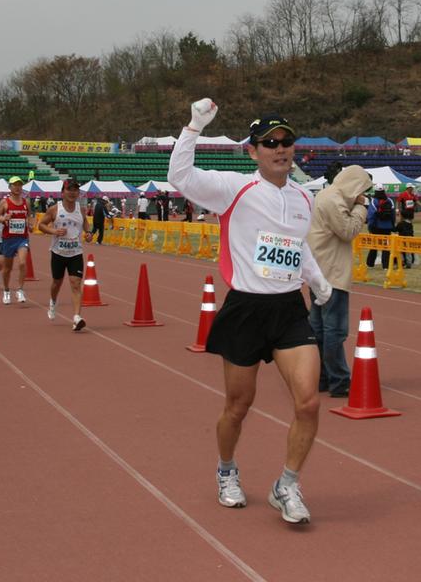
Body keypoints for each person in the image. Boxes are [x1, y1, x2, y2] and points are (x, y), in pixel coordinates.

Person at [168, 100, 331, 525]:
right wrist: (193, 128)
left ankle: (287, 485)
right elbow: (179, 177)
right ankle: (226, 471)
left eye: (287, 141)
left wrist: (316, 279)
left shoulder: (302, 197)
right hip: (245, 308)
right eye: (270, 143)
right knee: (238, 407)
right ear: (253, 151)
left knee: (309, 402)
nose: (280, 148)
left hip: (288, 312)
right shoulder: (232, 188)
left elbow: (299, 247)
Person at [307, 165, 371, 399]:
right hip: (331, 273)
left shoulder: (324, 195)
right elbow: (348, 230)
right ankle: (339, 380)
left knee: (318, 329)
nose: (362, 194)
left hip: (318, 270)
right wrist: (361, 208)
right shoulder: (334, 200)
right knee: (334, 329)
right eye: (362, 189)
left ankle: (321, 377)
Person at [35, 178, 93, 331]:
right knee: (56, 283)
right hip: (58, 253)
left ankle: (76, 317)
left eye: (75, 190)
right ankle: (53, 301)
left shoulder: (80, 209)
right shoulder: (55, 209)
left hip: (75, 253)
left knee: (75, 283)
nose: (72, 193)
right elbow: (40, 225)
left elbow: (85, 222)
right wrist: (54, 231)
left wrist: (88, 232)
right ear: (63, 192)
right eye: (69, 189)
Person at [0, 176, 31, 305]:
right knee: (7, 268)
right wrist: (4, 219)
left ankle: (20, 290)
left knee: (22, 263)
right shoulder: (5, 202)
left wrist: (30, 224)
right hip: (8, 239)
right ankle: (6, 290)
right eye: (15, 185)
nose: (17, 187)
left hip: (22, 238)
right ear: (10, 187)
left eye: (19, 185)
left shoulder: (26, 202)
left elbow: (30, 216)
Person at [365, 185, 396, 268]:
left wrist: (370, 226)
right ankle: (386, 266)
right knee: (386, 246)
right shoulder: (390, 200)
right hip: (387, 227)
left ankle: (370, 264)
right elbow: (393, 215)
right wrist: (392, 225)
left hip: (376, 227)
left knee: (374, 245)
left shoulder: (374, 201)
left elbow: (371, 215)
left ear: (375, 191)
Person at [396, 183, 418, 267]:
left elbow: (416, 201)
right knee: (402, 224)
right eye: (411, 188)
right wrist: (398, 210)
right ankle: (402, 233)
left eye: (412, 188)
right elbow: (398, 201)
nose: (412, 189)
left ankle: (408, 233)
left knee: (409, 224)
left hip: (410, 212)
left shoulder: (413, 195)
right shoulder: (403, 194)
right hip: (404, 212)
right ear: (408, 188)